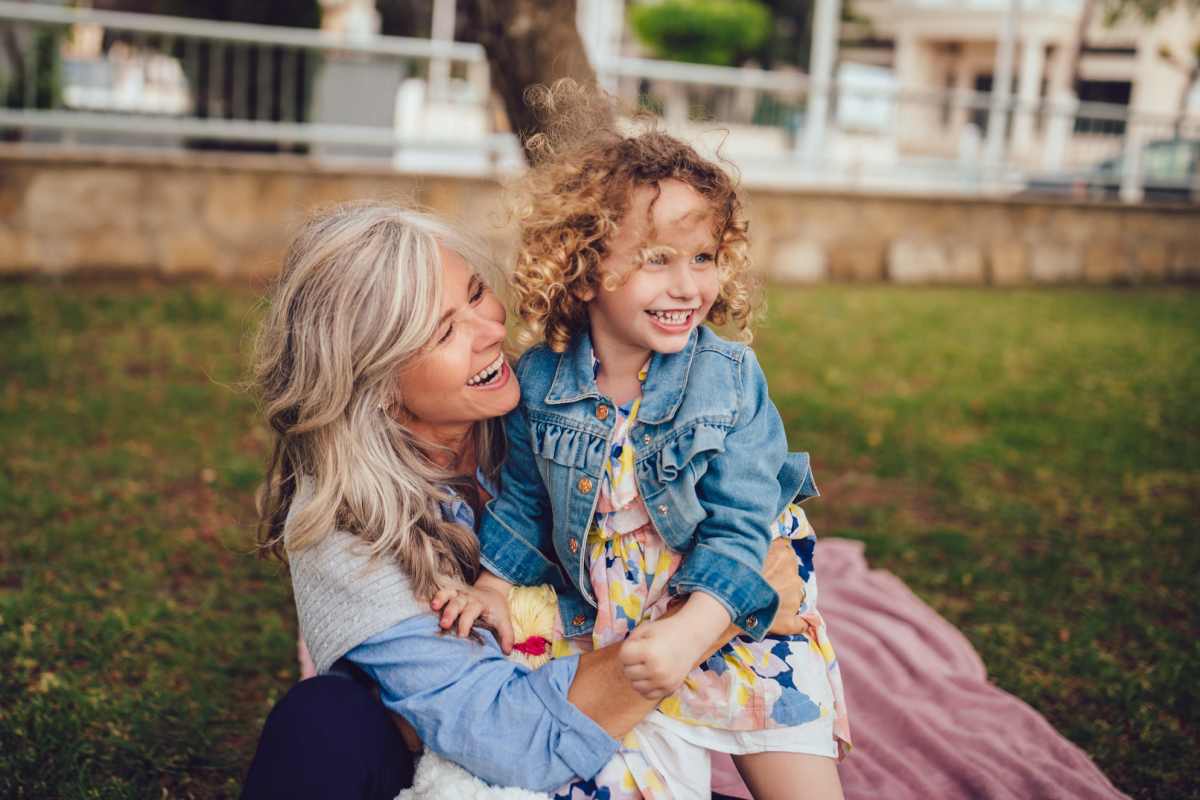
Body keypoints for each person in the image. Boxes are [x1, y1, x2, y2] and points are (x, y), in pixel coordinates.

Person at [240, 200, 810, 799]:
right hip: (477, 765)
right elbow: (512, 738)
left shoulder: (551, 413)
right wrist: (717, 615)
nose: (492, 330)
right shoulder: (342, 526)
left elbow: (728, 506)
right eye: (444, 331)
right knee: (322, 721)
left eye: (478, 293)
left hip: (605, 740)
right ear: (375, 382)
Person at [436, 83, 851, 800]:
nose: (688, 285)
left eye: (704, 257)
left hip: (734, 606)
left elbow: (744, 521)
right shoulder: (540, 382)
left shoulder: (728, 379)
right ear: (587, 263)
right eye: (657, 258)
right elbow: (527, 500)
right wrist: (494, 587)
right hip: (616, 623)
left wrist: (698, 629)